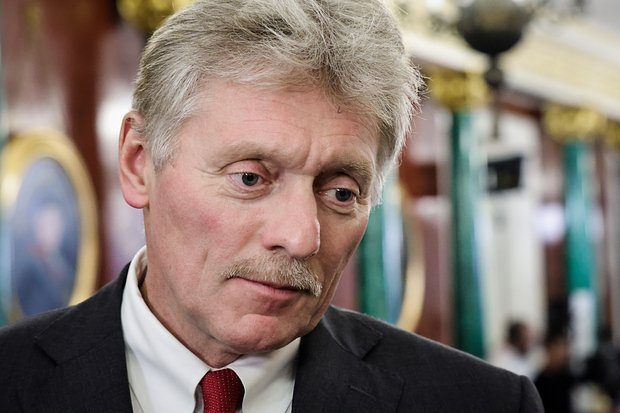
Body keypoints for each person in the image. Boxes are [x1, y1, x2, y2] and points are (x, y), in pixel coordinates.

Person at [0, 1, 544, 412]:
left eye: (341, 193)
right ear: (139, 164)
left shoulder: (482, 402)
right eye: (250, 178)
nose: (301, 236)